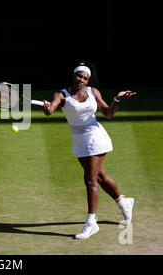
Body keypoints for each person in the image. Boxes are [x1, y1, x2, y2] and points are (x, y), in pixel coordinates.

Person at [40, 61, 136, 239]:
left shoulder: (93, 92)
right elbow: (51, 110)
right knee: (100, 177)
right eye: (79, 76)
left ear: (88, 80)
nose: (81, 80)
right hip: (80, 142)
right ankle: (124, 202)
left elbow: (108, 113)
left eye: (85, 78)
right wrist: (47, 107)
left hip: (96, 137)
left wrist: (117, 99)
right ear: (73, 75)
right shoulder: (62, 95)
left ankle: (91, 223)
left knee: (90, 180)